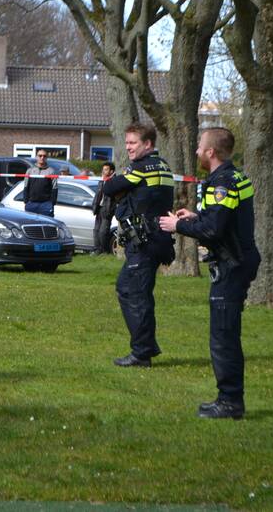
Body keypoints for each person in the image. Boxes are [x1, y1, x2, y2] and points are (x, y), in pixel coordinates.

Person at [160, 127, 260, 419]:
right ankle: (228, 399)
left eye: (200, 147)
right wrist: (196, 216)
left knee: (223, 336)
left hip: (232, 264)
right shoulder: (234, 177)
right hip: (238, 260)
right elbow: (223, 219)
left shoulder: (223, 183)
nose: (196, 152)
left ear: (211, 152)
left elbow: (214, 230)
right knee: (224, 333)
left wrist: (178, 226)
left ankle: (230, 403)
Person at [100, 123, 175, 368]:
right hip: (157, 239)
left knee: (135, 293)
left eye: (133, 143)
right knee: (131, 290)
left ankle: (142, 353)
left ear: (148, 144)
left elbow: (111, 188)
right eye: (127, 142)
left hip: (144, 242)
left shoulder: (141, 168)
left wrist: (112, 181)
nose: (128, 147)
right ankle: (145, 346)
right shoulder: (163, 165)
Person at [23, 149, 59, 216]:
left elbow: (55, 188)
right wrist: (26, 201)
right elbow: (26, 186)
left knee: (47, 225)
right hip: (31, 203)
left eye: (44, 156)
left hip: (46, 204)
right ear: (37, 157)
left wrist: (52, 203)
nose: (42, 157)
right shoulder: (30, 171)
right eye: (40, 156)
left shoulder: (51, 171)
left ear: (46, 158)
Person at [92, 162, 116, 254]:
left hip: (107, 209)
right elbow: (98, 195)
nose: (103, 171)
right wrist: (94, 206)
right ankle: (97, 250)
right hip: (99, 208)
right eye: (103, 169)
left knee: (103, 232)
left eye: (106, 169)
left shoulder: (114, 181)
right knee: (96, 230)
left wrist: (111, 209)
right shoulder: (101, 180)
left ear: (111, 171)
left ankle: (105, 251)